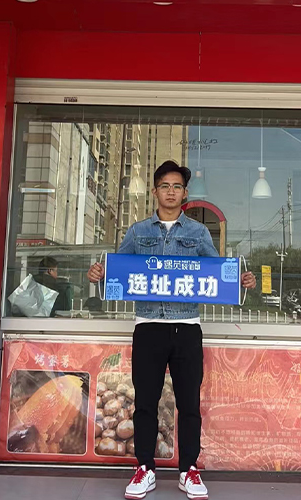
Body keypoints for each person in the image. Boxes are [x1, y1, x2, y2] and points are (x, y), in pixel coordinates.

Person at [87, 160, 256, 500]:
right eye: (165, 185)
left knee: (189, 403)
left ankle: (188, 470)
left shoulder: (198, 233)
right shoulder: (138, 232)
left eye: (177, 186)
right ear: (155, 192)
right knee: (145, 402)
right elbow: (119, 270)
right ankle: (144, 468)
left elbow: (217, 273)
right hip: (148, 326)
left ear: (184, 194)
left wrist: (240, 280)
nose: (170, 191)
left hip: (186, 327)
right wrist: (100, 275)